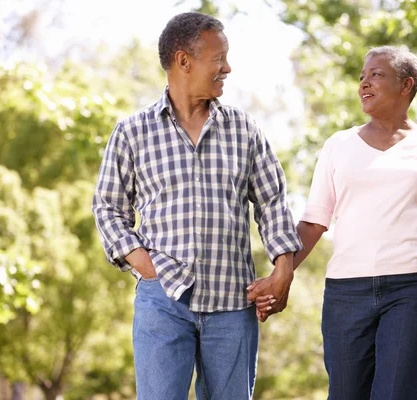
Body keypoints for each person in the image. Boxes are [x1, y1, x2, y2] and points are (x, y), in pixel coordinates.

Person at [255, 45, 417, 399]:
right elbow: (314, 222)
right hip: (347, 293)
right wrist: (281, 273)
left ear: (406, 85)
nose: (364, 82)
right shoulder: (338, 145)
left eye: (376, 75)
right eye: (362, 76)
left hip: (416, 288)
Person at [92, 12, 302, 400]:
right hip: (164, 301)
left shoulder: (244, 129)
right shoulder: (133, 132)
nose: (227, 68)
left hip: (233, 304)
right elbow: (107, 208)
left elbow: (272, 202)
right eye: (218, 58)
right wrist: (143, 263)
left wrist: (283, 268)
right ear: (183, 60)